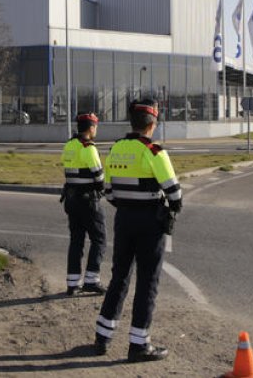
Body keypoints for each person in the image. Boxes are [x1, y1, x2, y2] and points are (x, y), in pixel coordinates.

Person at [93, 99, 181, 363]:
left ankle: (102, 336)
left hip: (124, 219)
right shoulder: (154, 151)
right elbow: (175, 194)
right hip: (149, 223)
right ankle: (139, 344)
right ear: (152, 125)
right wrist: (168, 208)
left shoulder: (116, 148)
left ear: (132, 123)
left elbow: (108, 191)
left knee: (119, 276)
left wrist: (128, 204)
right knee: (147, 281)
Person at [60, 112, 107, 296]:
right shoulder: (88, 148)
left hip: (71, 200)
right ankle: (91, 280)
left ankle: (72, 284)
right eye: (96, 126)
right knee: (99, 239)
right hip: (88, 201)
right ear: (91, 127)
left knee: (76, 241)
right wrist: (101, 188)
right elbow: (99, 175)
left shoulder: (69, 145)